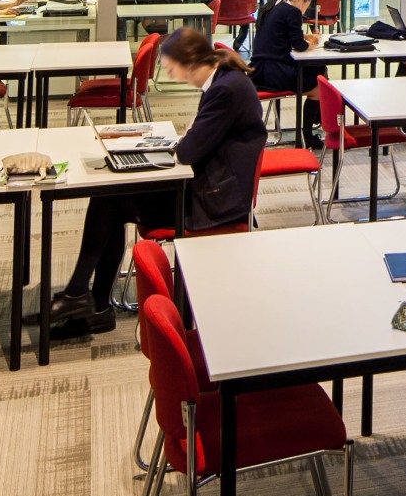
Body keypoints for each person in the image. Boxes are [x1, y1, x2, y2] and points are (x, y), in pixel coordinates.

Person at [48, 28, 265, 337]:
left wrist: (188, 137)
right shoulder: (224, 82)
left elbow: (189, 152)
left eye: (169, 65)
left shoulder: (225, 90)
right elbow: (198, 143)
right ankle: (86, 301)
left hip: (212, 200)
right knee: (110, 199)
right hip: (209, 184)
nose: (167, 72)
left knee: (110, 201)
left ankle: (85, 301)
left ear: (188, 62)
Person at [249, 0, 324, 143]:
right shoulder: (292, 11)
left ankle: (318, 121)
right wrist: (313, 43)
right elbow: (299, 45)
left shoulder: (275, 9)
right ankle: (307, 136)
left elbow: (282, 35)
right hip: (274, 73)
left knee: (319, 70)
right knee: (319, 85)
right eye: (306, 6)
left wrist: (304, 37)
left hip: (260, 70)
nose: (304, 11)